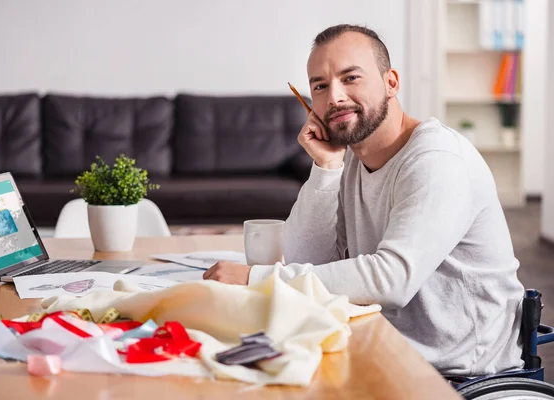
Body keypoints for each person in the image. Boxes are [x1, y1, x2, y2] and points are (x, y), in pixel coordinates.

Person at [203, 24, 525, 377]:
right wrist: (326, 167)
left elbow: (391, 279)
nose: (335, 97)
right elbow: (307, 259)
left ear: (391, 82)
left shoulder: (438, 159)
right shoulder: (352, 158)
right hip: (379, 348)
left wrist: (258, 278)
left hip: (458, 372)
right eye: (320, 86)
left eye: (350, 77)